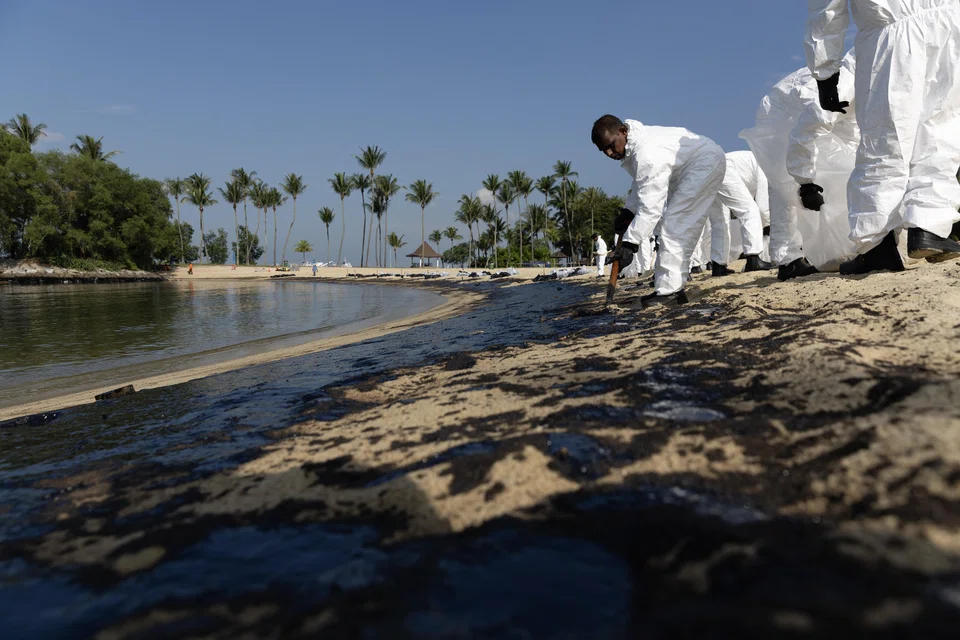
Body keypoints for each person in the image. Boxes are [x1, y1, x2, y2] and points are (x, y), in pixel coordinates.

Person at [807, 0, 960, 273]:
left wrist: (825, 71)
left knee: (884, 138)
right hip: (951, 21)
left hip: (892, 32)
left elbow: (827, 9)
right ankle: (930, 226)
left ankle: (875, 246)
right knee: (942, 127)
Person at [740, 51, 858, 281]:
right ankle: (788, 260)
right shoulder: (845, 86)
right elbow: (805, 133)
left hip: (806, 113)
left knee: (840, 169)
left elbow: (854, 139)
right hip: (780, 112)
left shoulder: (871, 87)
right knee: (785, 185)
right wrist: (806, 184)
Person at [592, 114, 725, 307]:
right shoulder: (636, 147)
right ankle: (671, 287)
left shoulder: (646, 152)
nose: (609, 153)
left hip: (704, 164)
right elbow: (641, 184)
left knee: (675, 224)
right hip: (686, 170)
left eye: (611, 145)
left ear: (623, 131)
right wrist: (628, 211)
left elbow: (650, 206)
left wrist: (630, 243)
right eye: (604, 150)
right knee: (674, 223)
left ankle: (670, 291)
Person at [719, 151, 775, 273]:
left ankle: (718, 265)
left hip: (714, 169)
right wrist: (767, 224)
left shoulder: (752, 163)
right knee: (750, 210)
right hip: (725, 169)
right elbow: (762, 203)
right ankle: (753, 260)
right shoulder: (767, 165)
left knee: (720, 220)